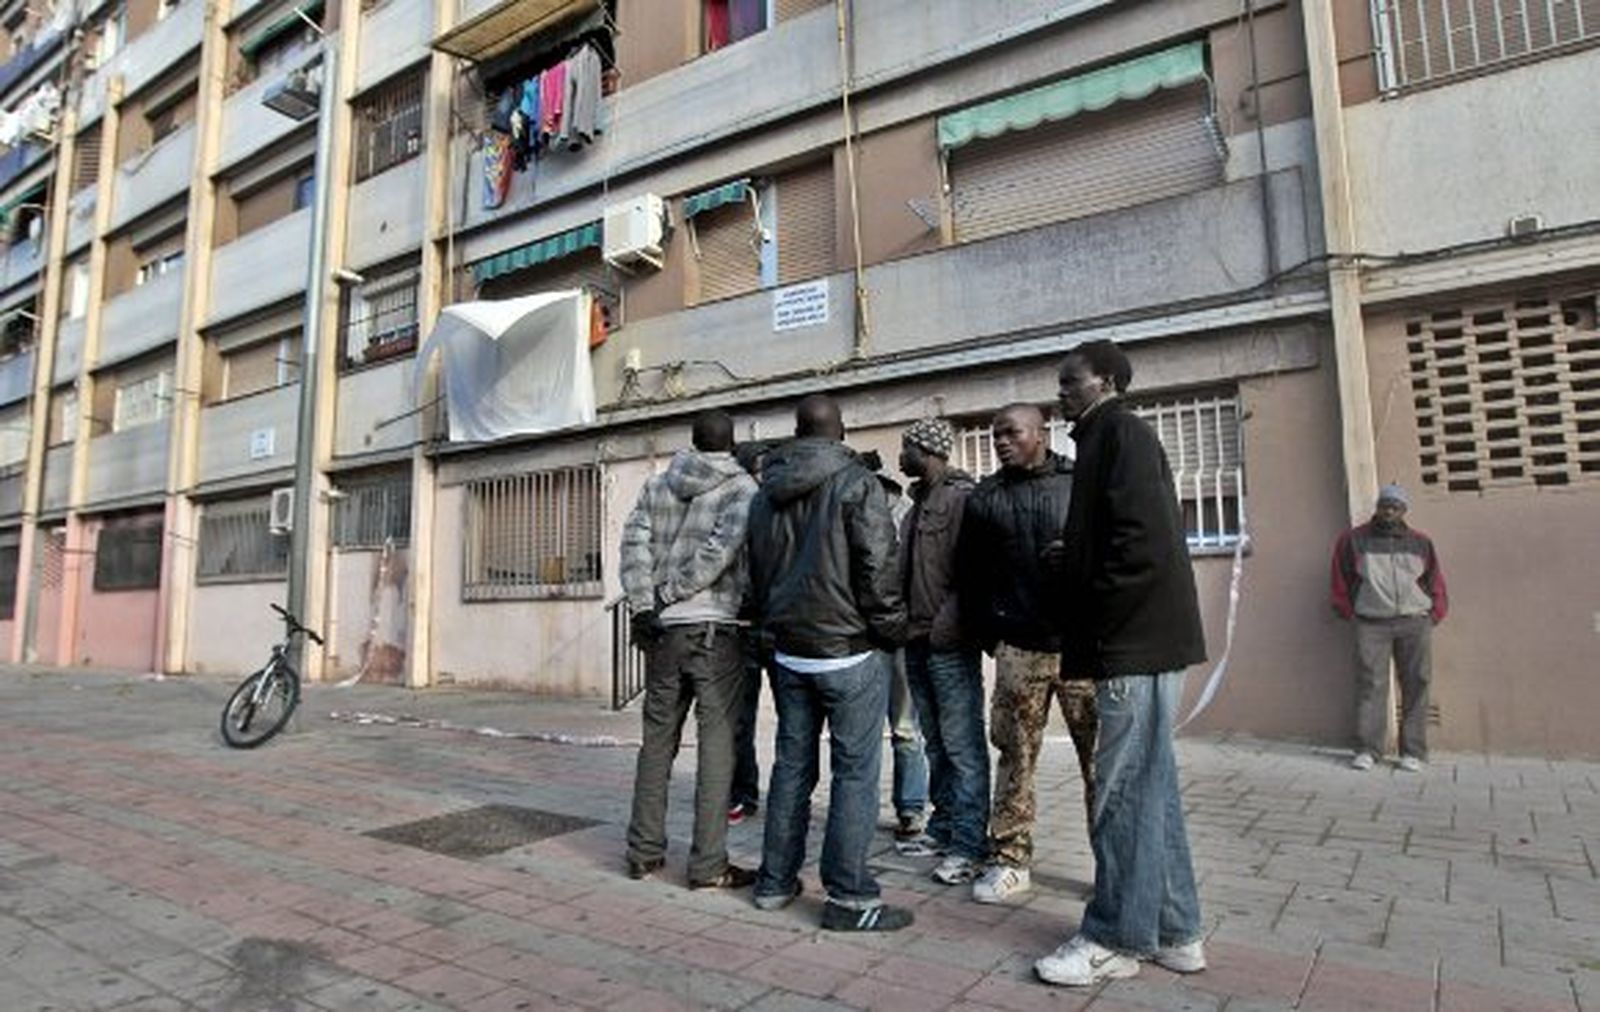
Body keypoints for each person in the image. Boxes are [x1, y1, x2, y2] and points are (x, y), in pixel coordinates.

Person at [1035, 339, 1207, 987]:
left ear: (1105, 381)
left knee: (1122, 793)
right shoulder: (1110, 437)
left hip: (1132, 643)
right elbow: (1125, 538)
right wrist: (1074, 556)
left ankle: (1114, 938)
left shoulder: (1118, 434)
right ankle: (1176, 931)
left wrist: (1088, 594)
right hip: (1144, 639)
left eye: (1071, 381)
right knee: (1150, 788)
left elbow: (1137, 549)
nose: (1062, 392)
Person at [747, 394, 914, 932]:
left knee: (792, 767)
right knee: (855, 774)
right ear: (840, 432)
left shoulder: (765, 492)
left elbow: (758, 571)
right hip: (848, 652)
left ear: (798, 431)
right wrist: (891, 632)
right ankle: (848, 897)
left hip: (790, 651)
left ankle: (774, 882)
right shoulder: (857, 483)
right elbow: (879, 567)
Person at [956, 403, 1096, 904]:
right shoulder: (986, 498)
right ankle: (1011, 859)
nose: (1000, 442)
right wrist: (992, 635)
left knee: (1101, 762)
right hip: (1019, 648)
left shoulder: (1081, 484)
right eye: (995, 435)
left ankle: (1116, 865)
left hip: (1084, 650)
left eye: (1011, 433)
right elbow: (969, 577)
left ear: (1041, 433)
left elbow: (1112, 554)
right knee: (1015, 757)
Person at [620, 410, 759, 890]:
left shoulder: (657, 485)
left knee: (657, 744)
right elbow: (720, 552)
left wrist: (645, 604)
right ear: (732, 442)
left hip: (662, 633)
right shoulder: (743, 489)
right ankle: (707, 866)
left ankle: (642, 853)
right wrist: (674, 592)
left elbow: (633, 545)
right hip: (713, 630)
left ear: (694, 442)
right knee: (717, 748)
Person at [896, 418, 989, 886]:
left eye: (906, 447)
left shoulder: (960, 500)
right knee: (934, 742)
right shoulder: (916, 506)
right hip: (916, 640)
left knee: (963, 746)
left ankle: (970, 845)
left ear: (926, 451)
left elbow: (972, 576)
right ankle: (944, 827)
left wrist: (945, 629)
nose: (900, 456)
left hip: (948, 644)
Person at [1330, 483, 1448, 772]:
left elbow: (1434, 579)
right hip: (1371, 622)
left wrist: (1434, 612)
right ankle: (1368, 750)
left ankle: (1413, 752)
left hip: (1414, 621)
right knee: (1371, 684)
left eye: (1395, 507)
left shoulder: (1421, 542)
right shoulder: (1353, 540)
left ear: (1404, 511)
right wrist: (1348, 610)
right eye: (1385, 506)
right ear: (1377, 507)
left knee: (1417, 683)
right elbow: (1339, 577)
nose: (1389, 512)